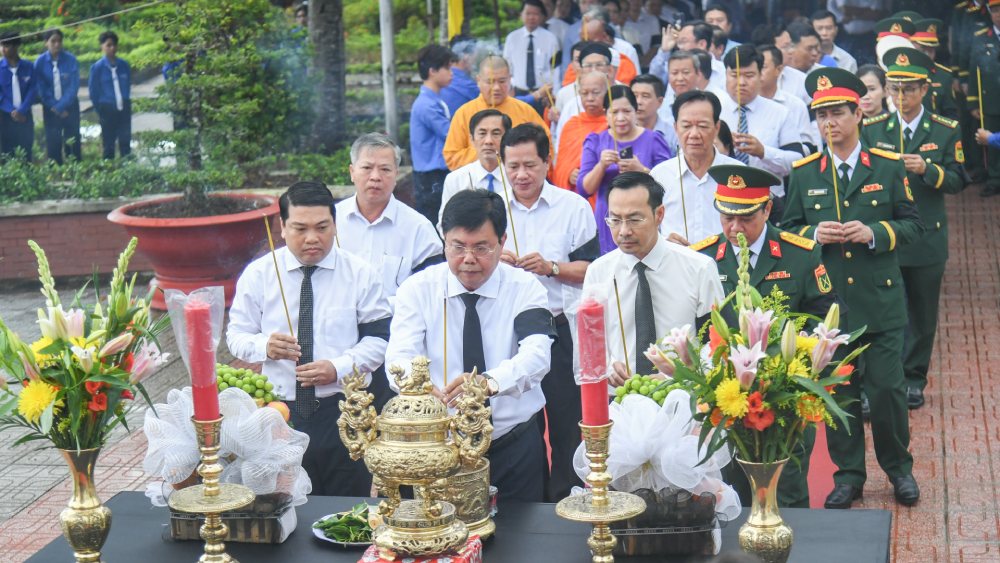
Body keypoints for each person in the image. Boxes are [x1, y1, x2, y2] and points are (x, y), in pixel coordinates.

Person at [782, 67, 924, 509]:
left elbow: (914, 224)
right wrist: (812, 234)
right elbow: (786, 230)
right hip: (830, 308)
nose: (830, 123)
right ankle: (848, 476)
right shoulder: (805, 173)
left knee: (885, 391)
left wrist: (876, 232)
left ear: (858, 113)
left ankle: (899, 469)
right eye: (821, 115)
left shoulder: (885, 165)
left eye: (838, 113)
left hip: (879, 304)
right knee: (839, 396)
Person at [385, 189, 556, 502]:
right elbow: (399, 356)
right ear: (444, 240)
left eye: (482, 248)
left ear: (502, 242)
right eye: (457, 247)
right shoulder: (417, 289)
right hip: (437, 447)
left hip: (512, 444)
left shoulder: (526, 288)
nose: (468, 259)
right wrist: (420, 390)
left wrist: (488, 383)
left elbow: (536, 355)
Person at [227, 181, 392, 496]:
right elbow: (235, 335)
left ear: (335, 224)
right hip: (280, 412)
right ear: (282, 227)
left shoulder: (360, 274)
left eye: (322, 227)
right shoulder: (259, 274)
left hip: (344, 413)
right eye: (300, 228)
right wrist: (265, 346)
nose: (312, 238)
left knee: (347, 507)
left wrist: (338, 366)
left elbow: (380, 341)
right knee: (284, 503)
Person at [690, 164, 838, 508]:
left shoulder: (800, 255)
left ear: (768, 208)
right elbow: (699, 327)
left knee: (787, 487)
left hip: (783, 395)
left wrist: (796, 363)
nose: (734, 228)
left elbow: (826, 318)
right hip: (728, 397)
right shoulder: (703, 258)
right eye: (726, 217)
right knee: (733, 487)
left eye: (746, 218)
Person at [861, 47, 966, 410]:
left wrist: (928, 170)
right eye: (895, 88)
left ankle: (912, 378)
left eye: (909, 89)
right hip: (886, 234)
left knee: (921, 314)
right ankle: (876, 380)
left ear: (925, 89)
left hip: (925, 238)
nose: (901, 97)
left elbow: (958, 179)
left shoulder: (945, 129)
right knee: (882, 311)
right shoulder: (873, 130)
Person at [498, 123, 598, 501]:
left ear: (547, 162)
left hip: (559, 328)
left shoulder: (572, 207)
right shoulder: (491, 208)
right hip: (507, 332)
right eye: (513, 166)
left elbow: (592, 269)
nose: (521, 175)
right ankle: (529, 496)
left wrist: (552, 267)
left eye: (530, 165)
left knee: (565, 420)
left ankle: (567, 497)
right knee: (517, 420)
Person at [582, 171, 723, 385]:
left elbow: (717, 343)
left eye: (634, 219)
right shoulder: (598, 272)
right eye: (615, 220)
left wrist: (678, 375)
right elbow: (589, 341)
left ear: (659, 215)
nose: (624, 231)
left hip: (684, 395)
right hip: (619, 398)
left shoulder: (699, 268)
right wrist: (608, 365)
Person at [336, 133, 444, 305]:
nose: (375, 177)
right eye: (367, 168)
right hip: (339, 323)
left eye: (385, 169)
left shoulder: (418, 228)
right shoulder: (330, 222)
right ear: (352, 172)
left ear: (396, 175)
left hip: (395, 326)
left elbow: (431, 291)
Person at [578, 85, 672, 253]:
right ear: (606, 114)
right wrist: (601, 165)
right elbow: (584, 189)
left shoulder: (653, 139)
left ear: (636, 112)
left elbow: (670, 183)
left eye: (627, 111)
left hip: (642, 215)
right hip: (608, 217)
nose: (621, 118)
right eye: (614, 112)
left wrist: (642, 169)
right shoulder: (595, 141)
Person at [720, 45, 803, 222]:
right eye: (734, 75)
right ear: (725, 76)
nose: (741, 82)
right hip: (723, 202)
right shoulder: (713, 112)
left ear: (760, 76)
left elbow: (798, 162)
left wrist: (763, 152)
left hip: (768, 204)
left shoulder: (780, 113)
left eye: (749, 76)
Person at [652, 90, 743, 245]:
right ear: (675, 127)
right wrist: (663, 243)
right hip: (675, 263)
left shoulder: (738, 173)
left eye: (702, 126)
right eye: (686, 126)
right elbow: (648, 229)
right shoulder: (659, 176)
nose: (694, 134)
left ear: (716, 128)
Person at [442, 56, 550, 171]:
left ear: (510, 79)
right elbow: (451, 157)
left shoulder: (525, 111)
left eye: (502, 81)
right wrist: (485, 153)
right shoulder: (464, 113)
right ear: (478, 81)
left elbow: (546, 147)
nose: (496, 88)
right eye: (490, 82)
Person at [439, 109, 512, 231]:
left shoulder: (516, 178)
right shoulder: (456, 179)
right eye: (482, 133)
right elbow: (445, 224)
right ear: (472, 139)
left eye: (496, 133)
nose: (488, 141)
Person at [410, 44, 456, 224]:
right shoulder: (426, 105)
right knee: (434, 225)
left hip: (435, 174)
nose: (451, 72)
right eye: (446, 68)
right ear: (432, 71)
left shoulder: (434, 100)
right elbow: (451, 134)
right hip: (430, 177)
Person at [552, 71, 609, 190]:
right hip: (574, 194)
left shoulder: (613, 125)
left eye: (596, 93)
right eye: (584, 93)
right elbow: (560, 164)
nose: (590, 98)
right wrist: (568, 174)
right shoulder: (571, 125)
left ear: (607, 92)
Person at [758, 44, 820, 153]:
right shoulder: (745, 104)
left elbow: (809, 146)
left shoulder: (795, 105)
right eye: (755, 67)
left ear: (778, 70)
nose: (758, 72)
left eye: (763, 67)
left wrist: (787, 151)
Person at [33, 29, 80, 164]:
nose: (57, 44)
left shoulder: (70, 60)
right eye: (53, 41)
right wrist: (55, 106)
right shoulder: (40, 63)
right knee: (53, 141)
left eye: (59, 41)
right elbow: (41, 89)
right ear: (46, 43)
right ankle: (56, 173)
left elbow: (73, 86)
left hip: (70, 107)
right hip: (50, 108)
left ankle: (75, 172)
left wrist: (61, 106)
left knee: (72, 141)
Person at [503, 0, 559, 112]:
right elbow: (507, 66)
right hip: (518, 92)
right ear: (521, 15)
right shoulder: (512, 38)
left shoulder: (550, 39)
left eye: (535, 14)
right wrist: (510, 88)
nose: (531, 17)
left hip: (543, 93)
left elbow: (556, 69)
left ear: (542, 16)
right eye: (528, 13)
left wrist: (554, 93)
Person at [968, 4, 1000, 197]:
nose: (999, 15)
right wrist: (973, 101)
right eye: (995, 11)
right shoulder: (982, 37)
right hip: (991, 101)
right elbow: (974, 71)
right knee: (992, 143)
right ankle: (995, 179)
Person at [88, 31, 131, 159]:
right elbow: (93, 91)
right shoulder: (97, 67)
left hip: (124, 107)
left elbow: (127, 84)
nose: (112, 48)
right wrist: (100, 108)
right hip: (107, 108)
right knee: (108, 143)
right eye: (109, 45)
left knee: (125, 141)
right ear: (102, 46)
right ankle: (109, 171)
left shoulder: (124, 65)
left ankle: (128, 170)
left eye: (114, 45)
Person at [909, 18, 959, 120]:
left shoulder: (944, 76)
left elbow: (951, 114)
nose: (928, 54)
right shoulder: (901, 73)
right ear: (911, 45)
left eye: (931, 49)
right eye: (923, 49)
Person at [0, 31, 35, 160]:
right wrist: (12, 110)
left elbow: (33, 90)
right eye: (1, 45)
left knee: (26, 150)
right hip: (5, 116)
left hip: (25, 116)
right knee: (7, 152)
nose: (3, 49)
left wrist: (22, 110)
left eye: (7, 45)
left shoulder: (28, 67)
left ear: (16, 47)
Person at [630, 73, 677, 148]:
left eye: (645, 96)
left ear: (660, 101)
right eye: (634, 96)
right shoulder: (622, 132)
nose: (638, 102)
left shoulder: (673, 135)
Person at [441, 36, 481, 115]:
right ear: (466, 57)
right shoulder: (467, 85)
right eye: (474, 57)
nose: (475, 62)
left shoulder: (443, 79)